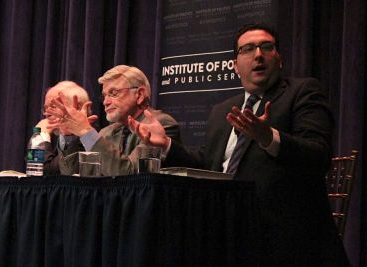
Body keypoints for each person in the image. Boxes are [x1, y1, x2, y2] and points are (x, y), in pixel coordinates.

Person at [128, 24, 350, 266]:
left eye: (267, 47)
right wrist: (167, 145)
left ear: (280, 59)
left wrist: (268, 137)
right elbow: (208, 163)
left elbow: (318, 156)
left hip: (282, 232)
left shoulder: (302, 92)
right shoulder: (222, 110)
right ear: (234, 66)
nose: (258, 54)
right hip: (223, 226)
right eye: (247, 49)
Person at [46, 65, 181, 176]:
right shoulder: (106, 132)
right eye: (104, 96)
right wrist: (69, 135)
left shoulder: (160, 124)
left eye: (114, 93)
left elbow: (130, 176)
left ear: (139, 95)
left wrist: (85, 131)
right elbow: (71, 174)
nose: (105, 102)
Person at [36, 81, 96, 175]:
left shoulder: (91, 140)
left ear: (77, 108)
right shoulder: (61, 137)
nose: (47, 114)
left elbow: (44, 173)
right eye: (45, 108)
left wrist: (40, 137)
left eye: (53, 106)